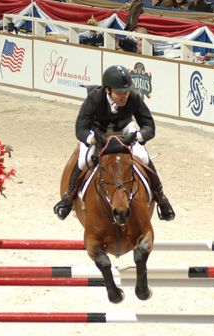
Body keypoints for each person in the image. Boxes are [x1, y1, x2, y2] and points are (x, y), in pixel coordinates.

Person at [54, 65, 175, 221]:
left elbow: (149, 126)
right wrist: (92, 139)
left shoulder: (133, 97)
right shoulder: (94, 98)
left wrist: (137, 136)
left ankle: (161, 199)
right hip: (97, 132)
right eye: (119, 92)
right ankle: (68, 198)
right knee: (85, 160)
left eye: (126, 92)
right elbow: (80, 128)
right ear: (108, 90)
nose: (124, 96)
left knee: (143, 157)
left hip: (124, 130)